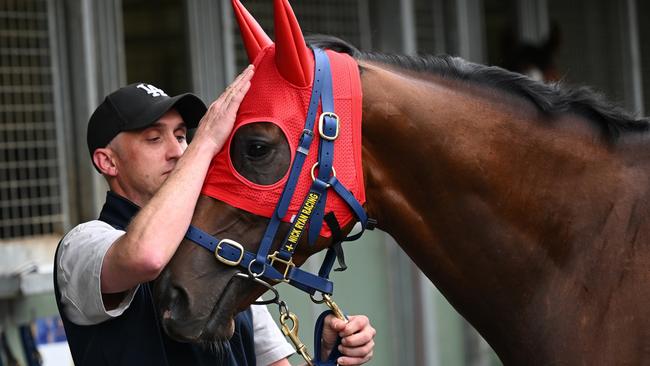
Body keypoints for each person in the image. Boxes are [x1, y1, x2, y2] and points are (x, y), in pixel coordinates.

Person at [54, 66, 375, 366]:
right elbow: (147, 256)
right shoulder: (83, 245)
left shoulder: (224, 248)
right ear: (108, 162)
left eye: (181, 136)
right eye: (154, 138)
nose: (178, 151)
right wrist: (205, 142)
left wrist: (329, 356)